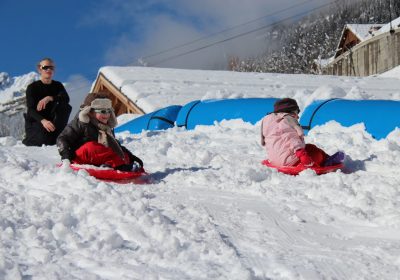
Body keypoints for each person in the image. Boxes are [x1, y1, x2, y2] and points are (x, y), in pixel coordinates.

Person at [56, 92, 144, 171]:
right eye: (102, 111)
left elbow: (114, 145)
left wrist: (131, 156)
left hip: (99, 158)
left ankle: (117, 163)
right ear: (90, 112)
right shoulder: (81, 123)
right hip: (78, 157)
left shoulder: (106, 127)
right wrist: (66, 156)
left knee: (119, 151)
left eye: (108, 111)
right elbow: (62, 138)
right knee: (92, 147)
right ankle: (117, 165)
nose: (106, 115)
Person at [261, 98, 344, 167]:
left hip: (275, 160)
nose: (298, 116)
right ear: (291, 111)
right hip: (291, 161)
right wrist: (302, 155)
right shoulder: (287, 120)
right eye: (297, 113)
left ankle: (326, 158)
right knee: (315, 152)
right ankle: (325, 161)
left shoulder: (268, 120)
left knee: (309, 147)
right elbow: (291, 138)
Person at [22, 58, 71, 146]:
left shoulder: (58, 85)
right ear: (39, 69)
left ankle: (59, 134)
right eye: (45, 67)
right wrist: (43, 121)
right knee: (43, 140)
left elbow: (66, 99)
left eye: (51, 68)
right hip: (37, 122)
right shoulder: (32, 87)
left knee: (65, 106)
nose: (49, 70)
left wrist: (50, 98)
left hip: (53, 122)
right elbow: (31, 110)